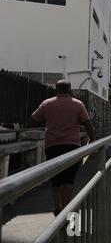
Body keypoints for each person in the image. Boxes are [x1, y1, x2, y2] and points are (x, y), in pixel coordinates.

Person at [32, 80, 95, 217]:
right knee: (69, 179)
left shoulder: (47, 103)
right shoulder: (78, 104)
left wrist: (49, 120)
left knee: (56, 179)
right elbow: (88, 125)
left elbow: (35, 117)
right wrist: (93, 140)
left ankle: (56, 207)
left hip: (52, 146)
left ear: (56, 89)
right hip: (72, 146)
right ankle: (66, 211)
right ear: (69, 89)